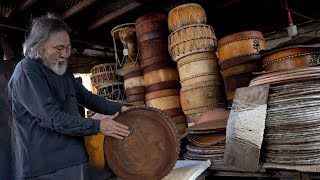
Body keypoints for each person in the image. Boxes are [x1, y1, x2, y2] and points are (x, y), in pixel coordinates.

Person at [8, 13, 131, 180]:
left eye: (68, 48)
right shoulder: (28, 70)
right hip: (46, 168)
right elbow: (51, 118)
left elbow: (88, 99)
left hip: (76, 159)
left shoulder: (64, 73)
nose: (65, 54)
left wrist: (124, 109)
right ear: (39, 46)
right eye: (59, 48)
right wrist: (98, 126)